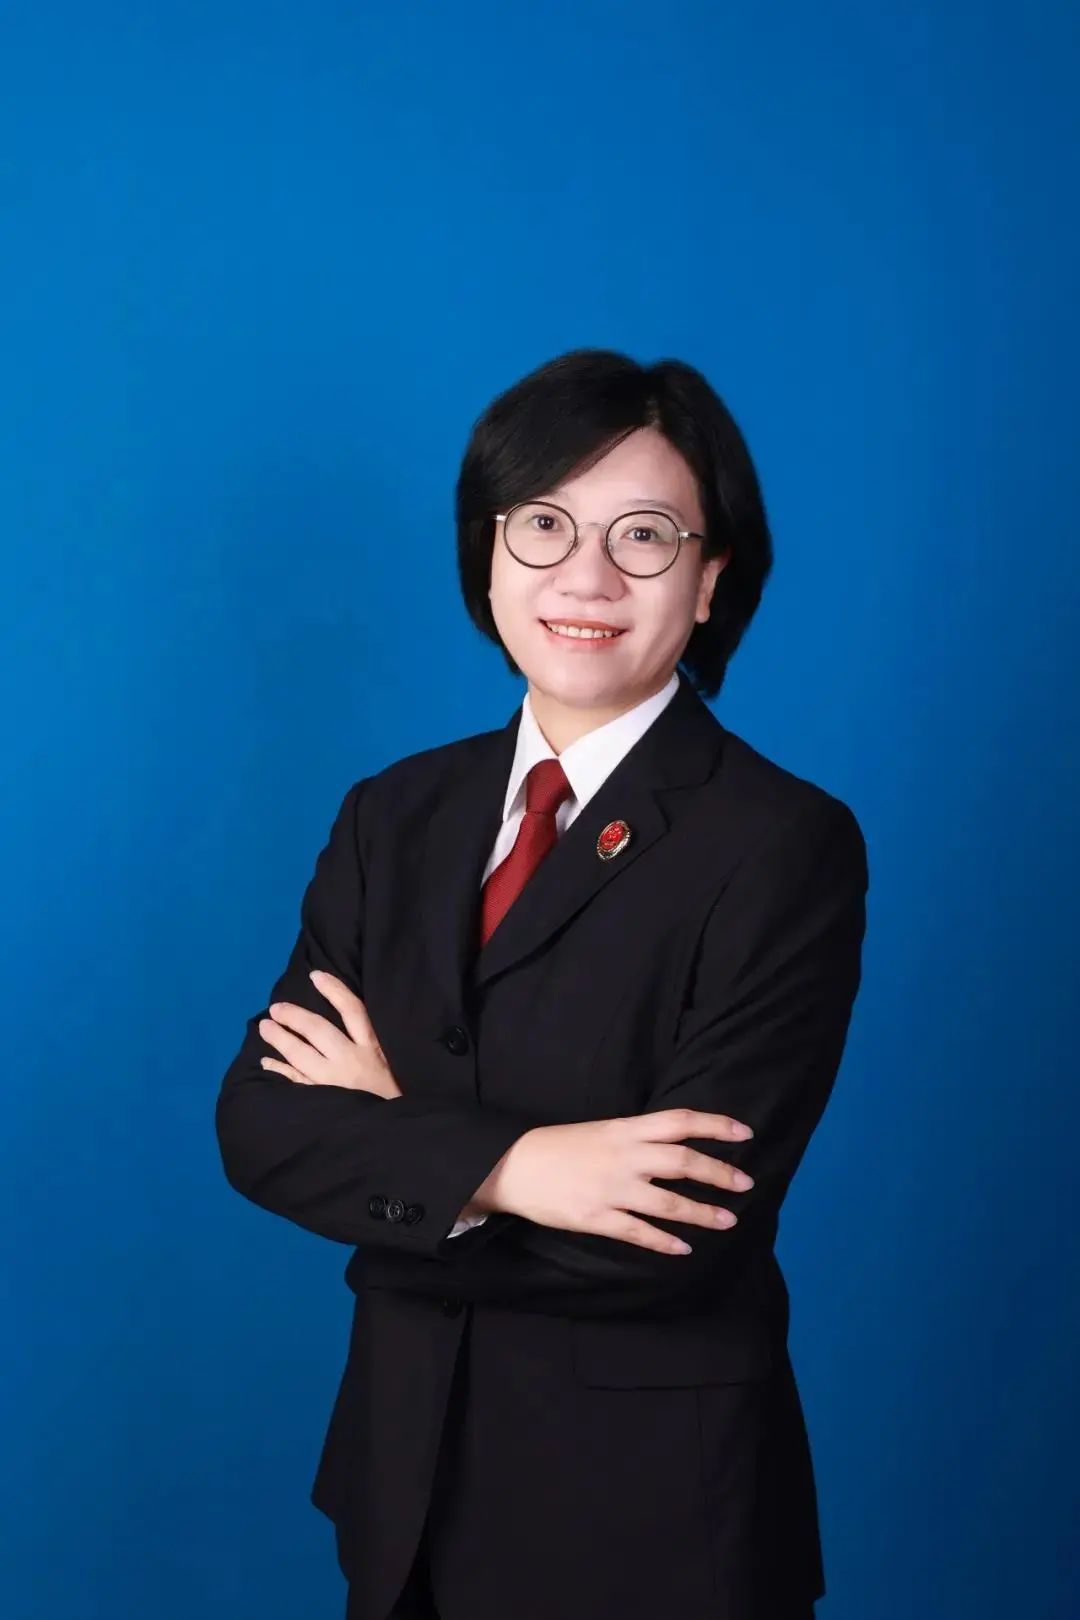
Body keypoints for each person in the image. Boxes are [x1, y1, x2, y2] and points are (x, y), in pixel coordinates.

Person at [215, 347, 870, 1620]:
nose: (586, 576)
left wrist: (399, 1146)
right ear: (489, 553)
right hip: (401, 1492)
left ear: (711, 578)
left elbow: (682, 1228)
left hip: (649, 1522)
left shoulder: (782, 844)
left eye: (644, 535)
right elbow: (262, 1125)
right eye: (545, 524)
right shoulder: (394, 815)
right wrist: (523, 1170)